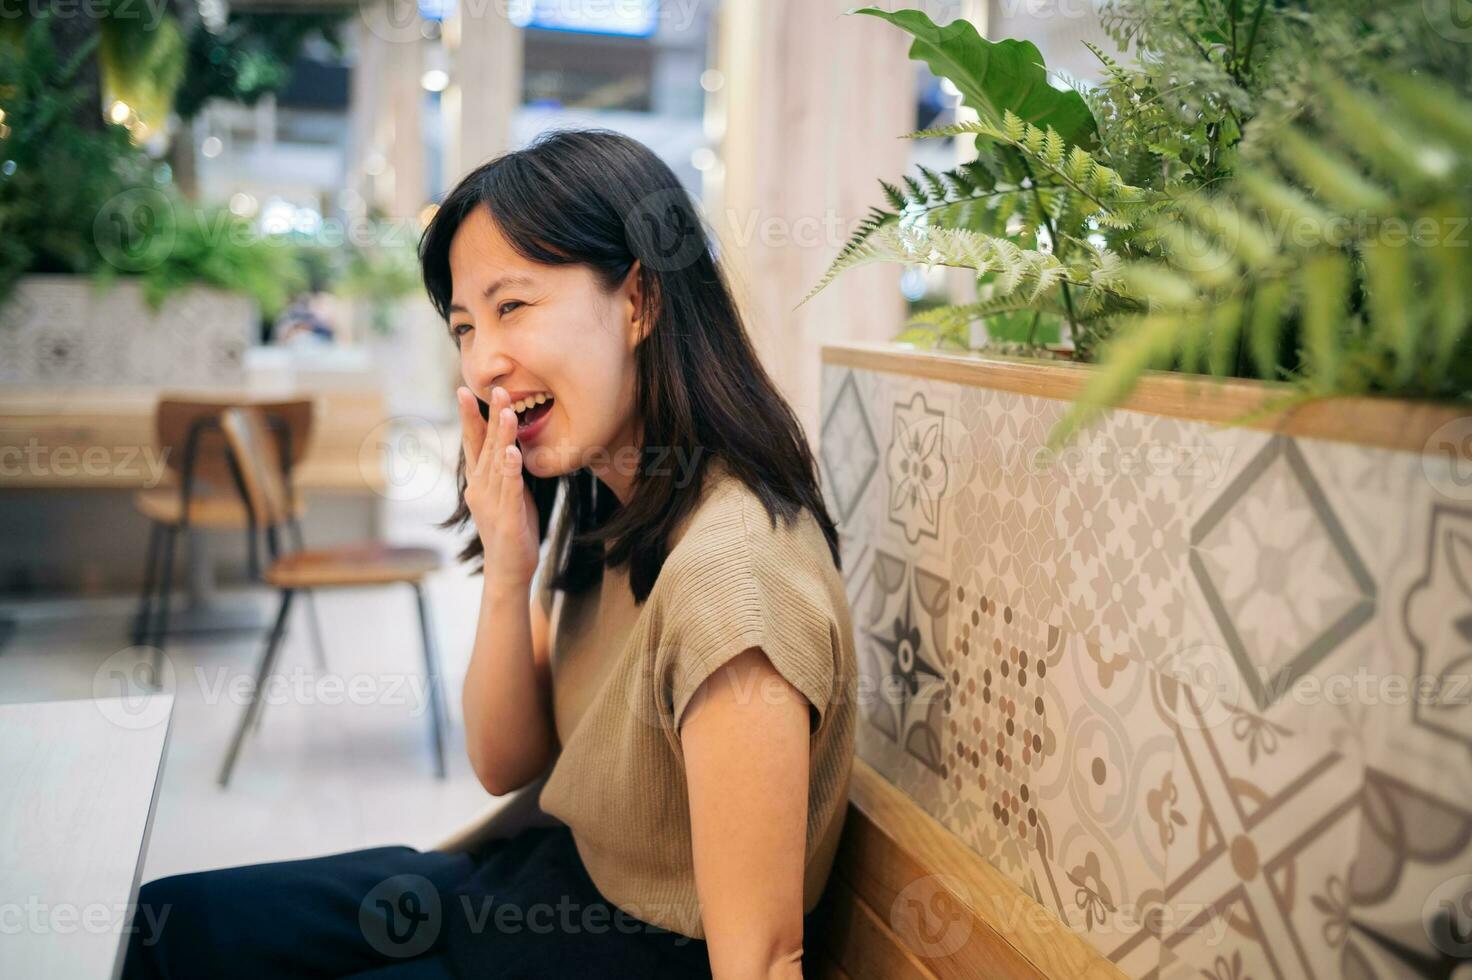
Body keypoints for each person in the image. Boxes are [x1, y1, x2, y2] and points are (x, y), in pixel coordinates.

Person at [122, 128, 858, 979]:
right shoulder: (615, 506)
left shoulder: (734, 578)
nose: (482, 362)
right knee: (171, 927)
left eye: (513, 307)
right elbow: (503, 762)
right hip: (534, 892)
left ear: (640, 301)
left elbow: (761, 959)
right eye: (465, 326)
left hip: (610, 953)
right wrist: (509, 568)